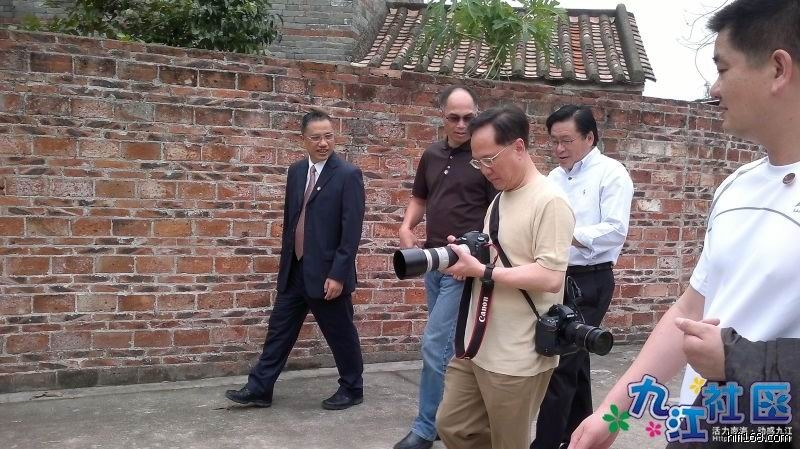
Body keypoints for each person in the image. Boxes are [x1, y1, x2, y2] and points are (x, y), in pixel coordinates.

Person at [568, 1, 800, 448]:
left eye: (723, 68)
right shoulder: (737, 186)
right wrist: (613, 413)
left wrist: (737, 361)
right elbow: (690, 311)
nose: (714, 88)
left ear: (777, 69)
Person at [436, 104, 576, 449]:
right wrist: (466, 261)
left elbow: (550, 276)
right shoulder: (499, 200)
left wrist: (483, 270)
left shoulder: (550, 201)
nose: (485, 170)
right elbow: (496, 259)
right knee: (454, 426)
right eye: (477, 162)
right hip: (477, 343)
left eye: (490, 159)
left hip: (517, 355)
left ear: (518, 147)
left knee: (508, 442)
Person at [225, 109, 366, 410]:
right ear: (303, 139)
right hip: (295, 269)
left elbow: (351, 231)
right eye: (316, 138)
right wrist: (287, 262)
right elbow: (293, 220)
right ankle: (260, 388)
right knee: (279, 330)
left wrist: (338, 274)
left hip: (328, 274)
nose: (323, 143)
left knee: (340, 333)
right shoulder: (297, 171)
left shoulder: (347, 175)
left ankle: (352, 388)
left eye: (328, 136)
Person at [394, 85, 496, 449]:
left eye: (469, 117)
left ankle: (426, 428)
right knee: (450, 349)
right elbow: (419, 197)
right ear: (442, 117)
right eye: (454, 117)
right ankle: (449, 416)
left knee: (434, 345)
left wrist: (475, 258)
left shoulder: (484, 159)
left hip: (464, 268)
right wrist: (407, 226)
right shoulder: (432, 154)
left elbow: (496, 215)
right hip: (432, 263)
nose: (462, 124)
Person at [531, 105, 633, 449]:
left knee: (559, 361)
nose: (559, 149)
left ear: (589, 138)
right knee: (576, 357)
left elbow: (615, 229)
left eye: (566, 140)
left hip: (591, 280)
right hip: (558, 277)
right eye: (554, 141)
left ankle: (545, 444)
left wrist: (566, 235)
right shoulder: (553, 178)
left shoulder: (612, 173)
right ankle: (579, 436)